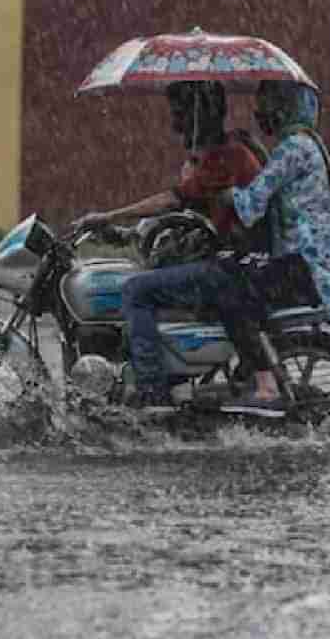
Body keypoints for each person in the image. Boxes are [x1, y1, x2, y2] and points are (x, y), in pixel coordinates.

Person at [72, 80, 281, 410]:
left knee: (136, 291)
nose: (175, 121)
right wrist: (127, 234)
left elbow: (173, 200)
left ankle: (151, 391)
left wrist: (109, 216)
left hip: (235, 268)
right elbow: (187, 213)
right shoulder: (224, 151)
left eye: (180, 112)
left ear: (200, 113)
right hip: (237, 262)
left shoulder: (225, 156)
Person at [221, 79, 330, 385]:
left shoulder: (292, 148)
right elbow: (277, 179)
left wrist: (226, 194)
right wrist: (252, 146)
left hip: (303, 266)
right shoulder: (308, 143)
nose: (260, 114)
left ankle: (264, 379)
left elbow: (251, 207)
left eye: (265, 107)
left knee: (229, 294)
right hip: (317, 263)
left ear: (284, 109)